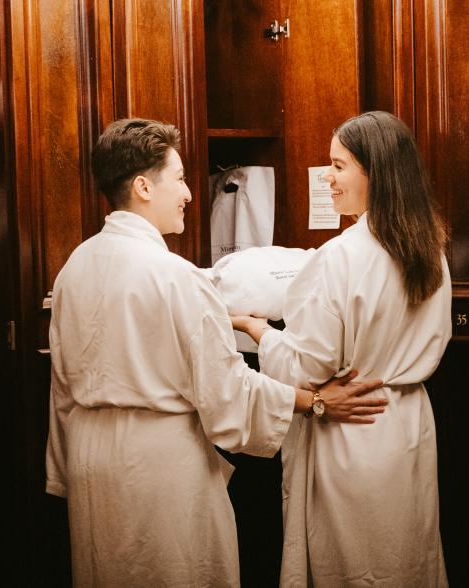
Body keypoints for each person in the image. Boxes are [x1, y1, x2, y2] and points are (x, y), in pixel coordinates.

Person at [44, 118, 388, 587]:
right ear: (144, 186)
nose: (189, 194)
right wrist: (317, 401)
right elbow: (227, 392)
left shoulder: (73, 267)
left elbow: (62, 386)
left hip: (91, 463)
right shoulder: (175, 276)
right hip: (157, 466)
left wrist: (65, 471)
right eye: (181, 179)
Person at [232, 111, 452, 587]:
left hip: (352, 426)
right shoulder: (430, 249)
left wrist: (259, 330)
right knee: (405, 556)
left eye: (338, 166)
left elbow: (307, 367)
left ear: (376, 173)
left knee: (355, 564)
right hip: (408, 423)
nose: (327, 178)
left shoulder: (342, 256)